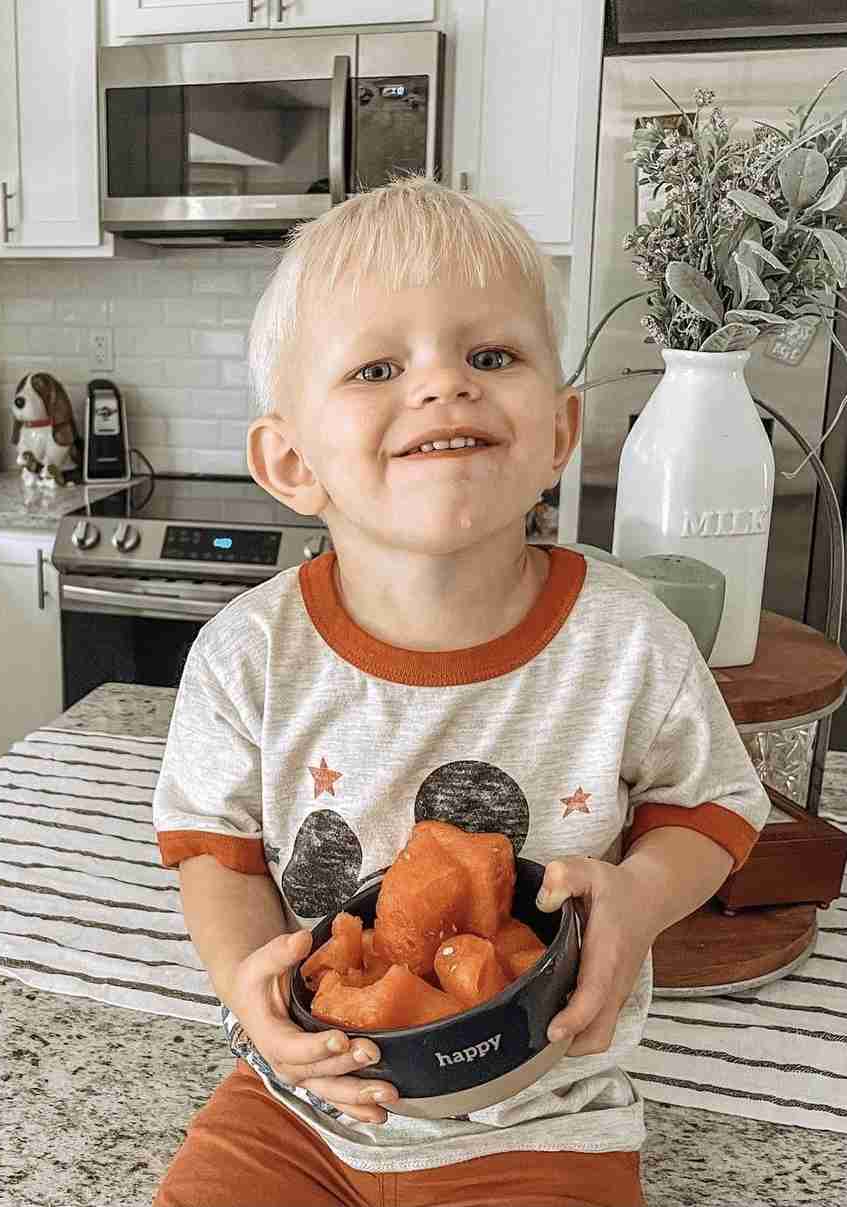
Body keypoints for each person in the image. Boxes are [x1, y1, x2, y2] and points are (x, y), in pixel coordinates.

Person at [150, 176, 770, 1207]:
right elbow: (210, 852)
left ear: (560, 430)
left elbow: (709, 812)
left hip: (544, 1115)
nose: (444, 385)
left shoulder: (627, 641)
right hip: (301, 1108)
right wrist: (247, 986)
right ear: (291, 460)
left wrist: (642, 897)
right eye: (379, 366)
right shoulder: (245, 654)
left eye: (490, 356)